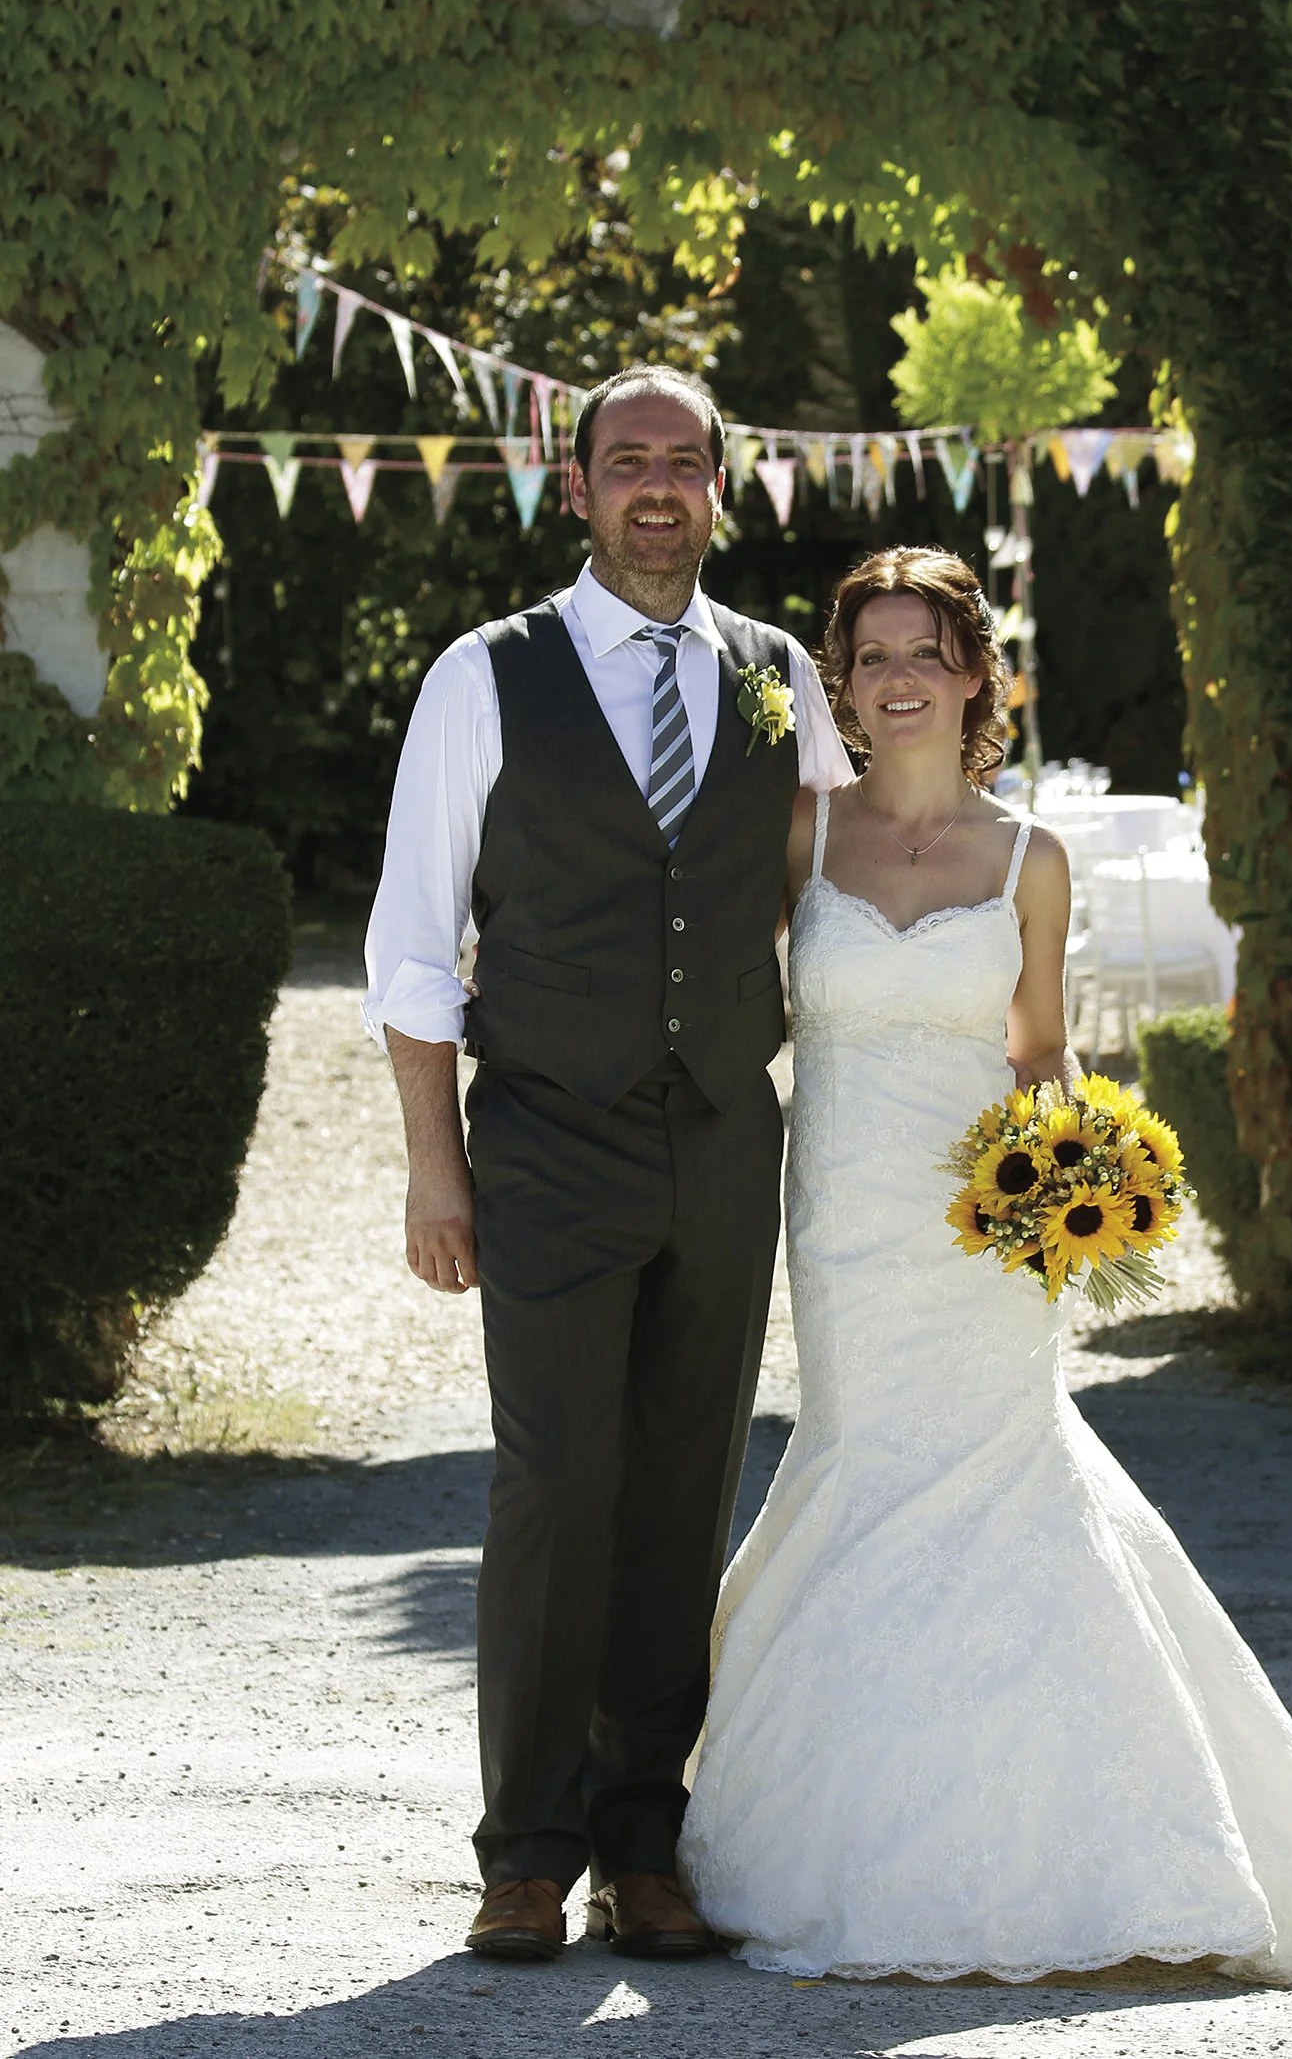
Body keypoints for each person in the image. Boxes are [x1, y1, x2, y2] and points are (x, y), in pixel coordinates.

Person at [678, 545, 1292, 1984]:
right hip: (841, 1218)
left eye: (921, 656)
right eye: (868, 658)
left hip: (985, 1228)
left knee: (1007, 1476)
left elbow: (1040, 1050)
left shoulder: (1031, 858)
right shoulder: (799, 836)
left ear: (972, 678)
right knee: (858, 1463)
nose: (895, 683)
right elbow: (715, 998)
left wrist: (1082, 1186)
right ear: (843, 681)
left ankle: (1082, 1852)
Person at [362, 365, 853, 1962]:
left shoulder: (778, 672)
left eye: (684, 463)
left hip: (720, 1133)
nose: (656, 487)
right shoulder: (482, 675)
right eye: (625, 462)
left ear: (721, 488)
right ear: (570, 489)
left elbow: (822, 885)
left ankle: (644, 1840)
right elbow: (412, 944)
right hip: (548, 1142)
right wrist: (436, 1172)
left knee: (680, 1490)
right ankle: (525, 1849)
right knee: (557, 1483)